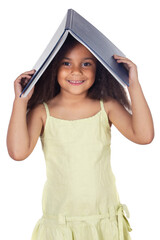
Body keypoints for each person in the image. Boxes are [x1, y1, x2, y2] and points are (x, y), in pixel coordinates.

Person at [7, 34, 154, 240]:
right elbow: (18, 152)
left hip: (104, 218)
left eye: (86, 63)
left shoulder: (106, 106)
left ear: (98, 69)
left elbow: (144, 135)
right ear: (53, 67)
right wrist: (20, 102)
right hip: (61, 222)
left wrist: (133, 85)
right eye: (66, 63)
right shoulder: (43, 112)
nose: (76, 71)